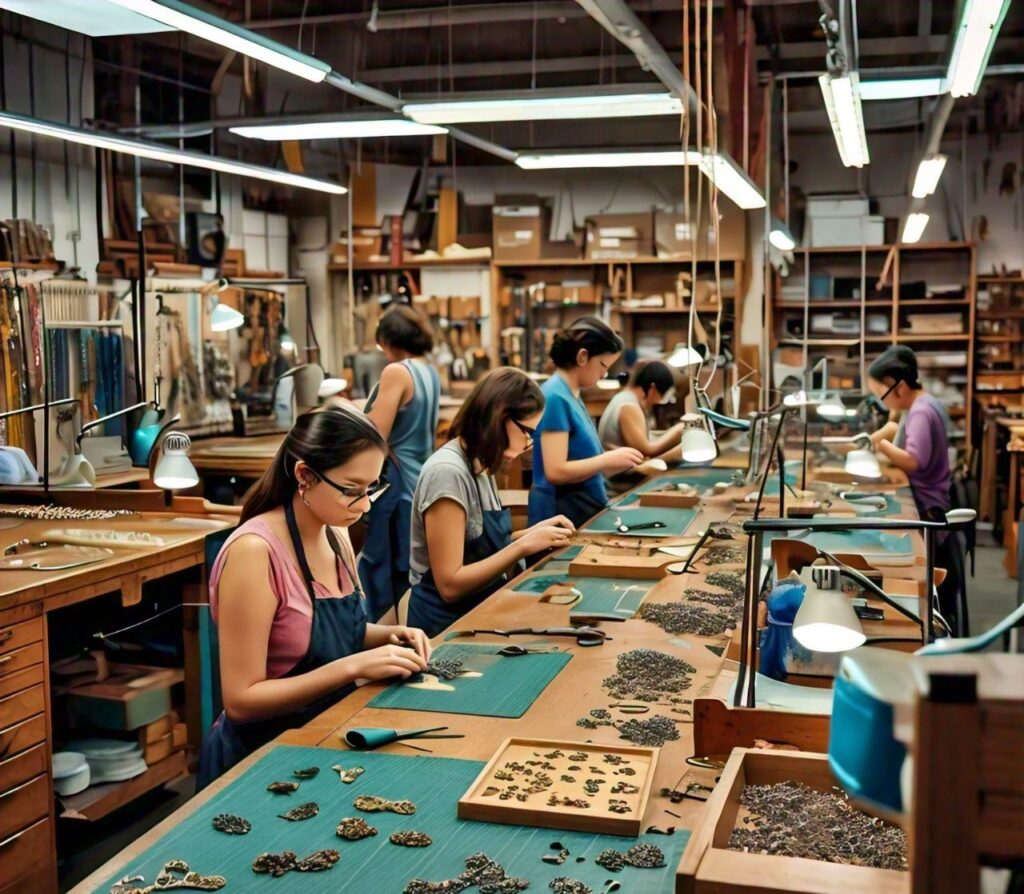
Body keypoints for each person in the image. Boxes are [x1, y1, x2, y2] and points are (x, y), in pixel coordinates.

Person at [198, 406, 431, 786]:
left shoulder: (335, 534)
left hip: (323, 737)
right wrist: (354, 666)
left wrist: (386, 637)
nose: (365, 504)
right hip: (258, 759)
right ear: (304, 475)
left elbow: (310, 631)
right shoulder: (255, 552)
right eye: (351, 490)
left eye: (372, 488)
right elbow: (241, 701)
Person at [407, 368, 575, 637]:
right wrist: (521, 546)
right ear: (500, 418)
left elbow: (476, 545)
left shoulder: (479, 463)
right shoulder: (448, 473)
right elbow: (450, 584)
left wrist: (536, 534)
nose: (529, 442)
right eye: (526, 432)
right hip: (443, 629)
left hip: (475, 613)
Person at [866, 345, 964, 630]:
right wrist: (888, 428)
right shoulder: (924, 403)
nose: (884, 403)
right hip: (932, 501)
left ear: (901, 386)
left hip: (928, 510)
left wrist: (881, 445)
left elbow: (914, 461)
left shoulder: (921, 412)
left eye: (883, 395)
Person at [358, 305, 441, 621]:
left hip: (393, 484)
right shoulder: (428, 371)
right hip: (419, 479)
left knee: (381, 569)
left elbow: (375, 432)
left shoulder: (397, 371)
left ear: (388, 340)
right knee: (408, 570)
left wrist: (345, 412)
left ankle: (384, 649)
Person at [528, 318, 645, 528]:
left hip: (583, 511)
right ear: (583, 356)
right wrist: (607, 460)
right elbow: (555, 471)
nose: (605, 373)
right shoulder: (555, 397)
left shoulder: (572, 394)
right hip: (560, 518)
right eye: (603, 365)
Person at [597, 360, 686, 483]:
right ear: (652, 388)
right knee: (681, 451)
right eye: (660, 398)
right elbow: (646, 450)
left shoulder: (625, 398)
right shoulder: (629, 405)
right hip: (619, 479)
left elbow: (644, 438)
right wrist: (678, 430)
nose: (656, 404)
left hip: (622, 472)